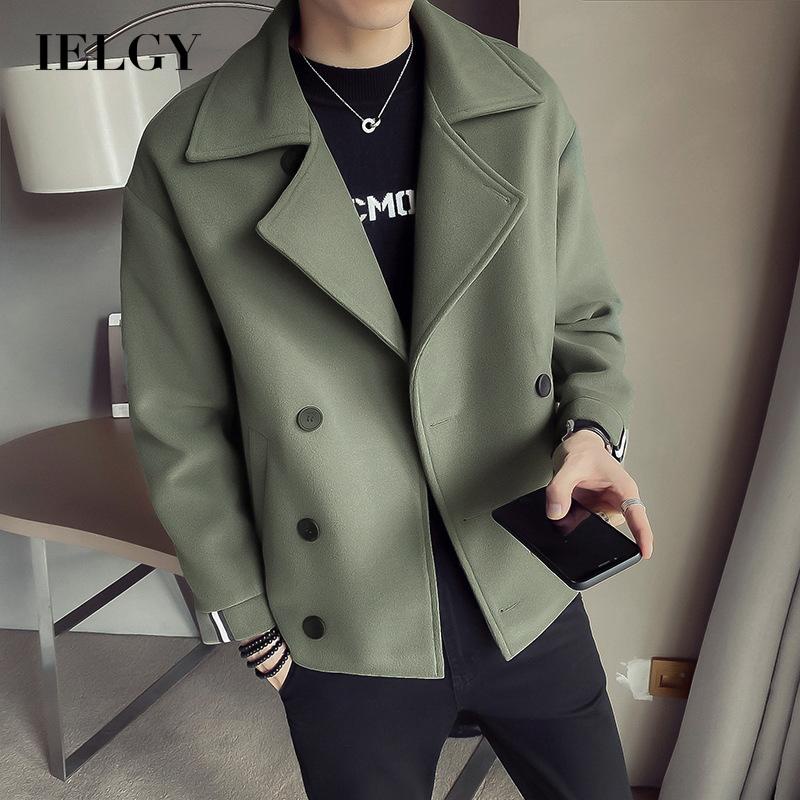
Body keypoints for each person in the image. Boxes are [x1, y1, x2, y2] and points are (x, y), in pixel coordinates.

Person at [119, 0, 654, 798]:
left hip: (523, 579)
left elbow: (580, 319)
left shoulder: (520, 100)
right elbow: (180, 416)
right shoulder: (190, 150)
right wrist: (247, 615)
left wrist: (590, 435)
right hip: (344, 617)